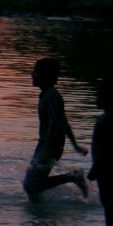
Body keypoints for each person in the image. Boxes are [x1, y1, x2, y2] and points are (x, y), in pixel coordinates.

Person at [22, 58, 88, 200]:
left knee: (31, 185)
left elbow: (57, 122)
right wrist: (75, 144)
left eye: (36, 71)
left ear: (46, 76)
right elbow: (63, 121)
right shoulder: (46, 94)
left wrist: (46, 147)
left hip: (50, 145)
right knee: (32, 188)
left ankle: (73, 177)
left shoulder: (51, 95)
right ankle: (39, 217)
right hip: (45, 144)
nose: (32, 74)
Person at [88, 77, 113, 226]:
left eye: (99, 95)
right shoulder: (108, 116)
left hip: (107, 163)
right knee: (106, 200)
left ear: (108, 97)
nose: (96, 98)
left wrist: (96, 167)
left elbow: (108, 146)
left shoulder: (111, 118)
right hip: (105, 161)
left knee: (107, 200)